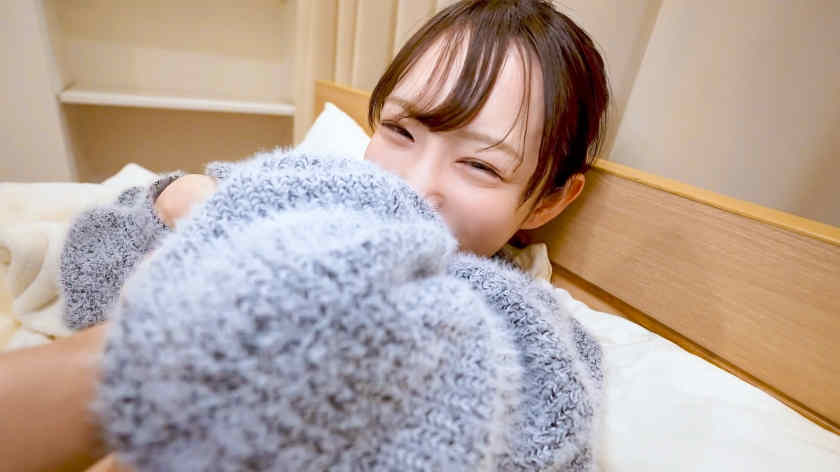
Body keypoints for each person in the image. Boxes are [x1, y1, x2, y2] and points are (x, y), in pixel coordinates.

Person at [0, 1, 609, 470]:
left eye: (479, 166)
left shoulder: (526, 327)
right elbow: (97, 261)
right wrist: (173, 199)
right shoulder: (308, 185)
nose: (416, 185)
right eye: (400, 132)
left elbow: (545, 420)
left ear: (550, 199)